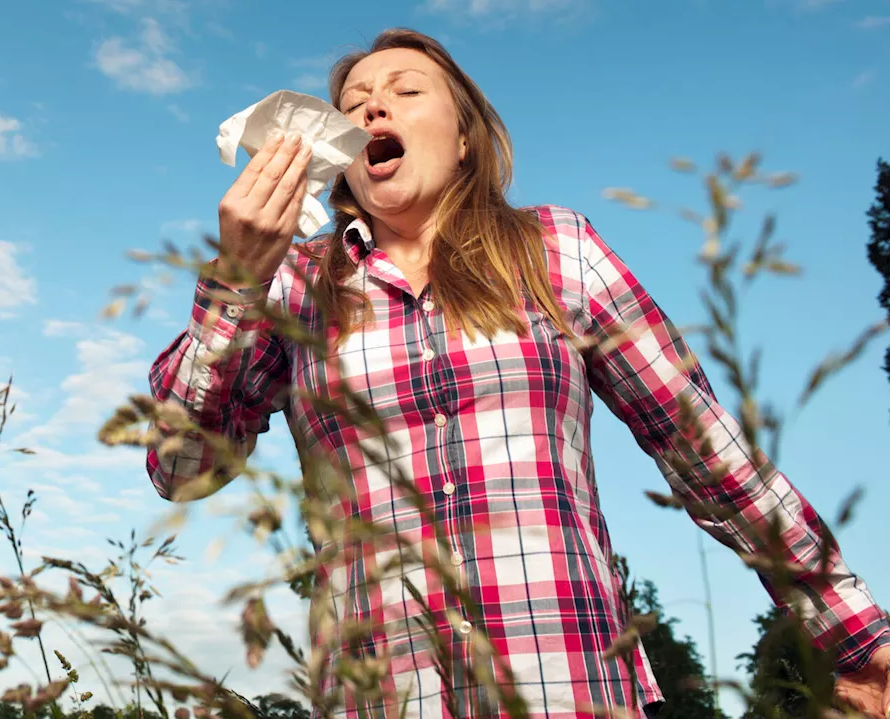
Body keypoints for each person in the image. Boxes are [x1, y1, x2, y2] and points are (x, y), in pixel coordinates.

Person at [143, 27, 890, 719]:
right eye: (353, 103)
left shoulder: (555, 249)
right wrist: (237, 277)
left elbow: (704, 449)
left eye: (406, 90)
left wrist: (853, 632)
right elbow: (181, 466)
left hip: (565, 678)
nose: (374, 103)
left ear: (465, 137)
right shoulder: (296, 283)